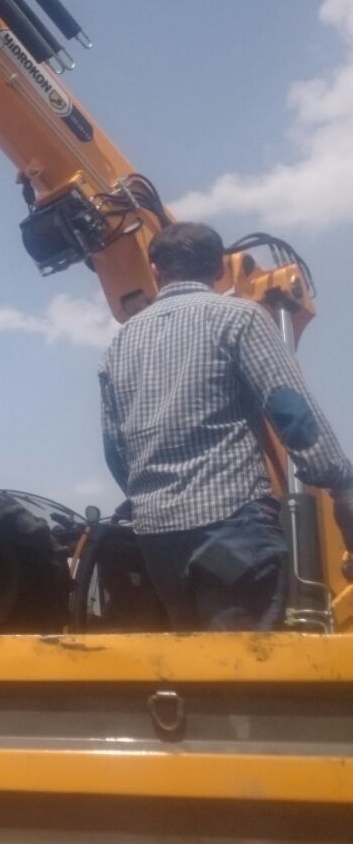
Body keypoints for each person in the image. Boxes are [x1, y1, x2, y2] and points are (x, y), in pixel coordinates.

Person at [98, 221, 353, 631]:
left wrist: (150, 500)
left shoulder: (120, 344)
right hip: (232, 526)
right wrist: (339, 480)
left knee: (195, 657)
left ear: (156, 270)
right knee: (243, 661)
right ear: (219, 269)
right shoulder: (240, 318)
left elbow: (115, 447)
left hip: (157, 537)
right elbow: (289, 409)